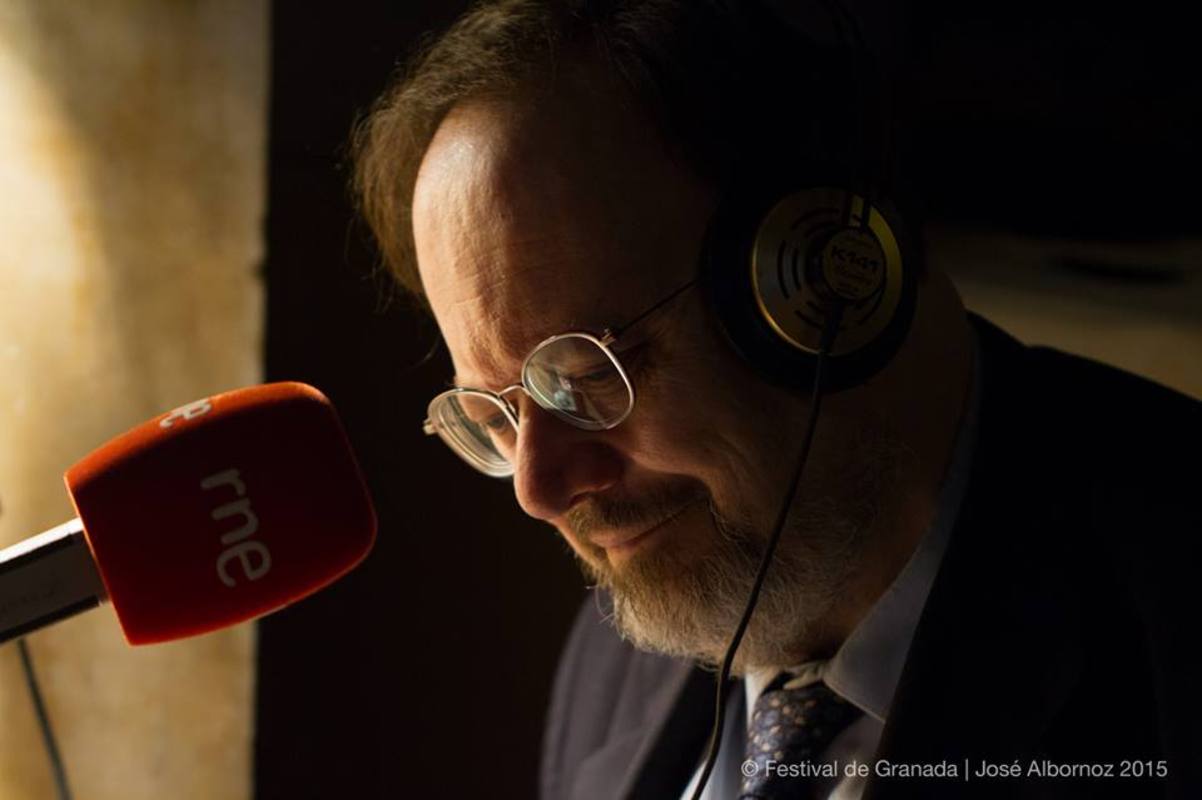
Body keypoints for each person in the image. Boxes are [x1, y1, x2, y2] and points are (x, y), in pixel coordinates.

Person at [351, 1, 1201, 798]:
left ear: (824, 283)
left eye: (586, 375)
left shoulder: (1168, 605)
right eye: (494, 414)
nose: (540, 488)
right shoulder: (613, 663)